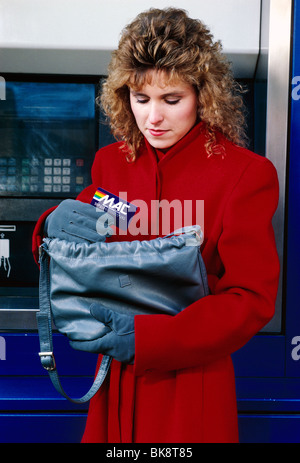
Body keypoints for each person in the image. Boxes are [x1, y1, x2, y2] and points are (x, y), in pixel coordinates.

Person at [32, 8, 280, 443]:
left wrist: (150, 339)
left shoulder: (246, 174)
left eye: (171, 99)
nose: (153, 119)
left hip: (191, 382)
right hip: (113, 377)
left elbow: (251, 298)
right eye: (140, 98)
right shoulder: (111, 162)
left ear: (203, 95)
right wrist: (48, 227)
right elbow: (73, 255)